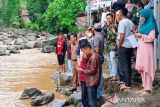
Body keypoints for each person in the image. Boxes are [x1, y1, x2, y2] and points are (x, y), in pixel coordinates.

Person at [134, 9, 157, 96]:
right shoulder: (143, 25)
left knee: (147, 67)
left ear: (146, 15)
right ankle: (145, 87)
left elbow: (151, 38)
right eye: (140, 16)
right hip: (141, 48)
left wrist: (141, 35)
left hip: (147, 49)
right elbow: (141, 35)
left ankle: (148, 89)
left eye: (142, 16)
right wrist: (137, 35)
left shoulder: (151, 25)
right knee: (142, 68)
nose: (141, 17)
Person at [77, 42, 101, 107]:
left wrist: (82, 71)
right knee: (92, 100)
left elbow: (92, 71)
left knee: (91, 101)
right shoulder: (94, 55)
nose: (84, 53)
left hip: (92, 81)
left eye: (83, 51)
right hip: (93, 81)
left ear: (87, 49)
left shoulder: (93, 57)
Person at [117, 8, 134, 90]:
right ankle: (127, 81)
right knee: (128, 64)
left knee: (124, 65)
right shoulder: (130, 22)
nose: (117, 16)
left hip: (124, 45)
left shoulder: (122, 22)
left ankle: (127, 83)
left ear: (120, 14)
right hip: (130, 45)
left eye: (118, 14)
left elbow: (122, 36)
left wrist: (119, 44)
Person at [91, 23, 104, 99]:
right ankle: (99, 93)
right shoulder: (101, 36)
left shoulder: (96, 37)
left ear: (94, 29)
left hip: (97, 58)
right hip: (101, 57)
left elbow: (96, 49)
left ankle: (98, 94)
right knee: (99, 75)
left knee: (97, 76)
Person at [76, 39, 89, 107]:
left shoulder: (88, 54)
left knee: (85, 94)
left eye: (81, 48)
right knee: (84, 94)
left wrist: (81, 71)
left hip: (85, 76)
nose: (81, 49)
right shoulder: (84, 53)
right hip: (82, 75)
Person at [105, 13, 118, 81]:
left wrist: (115, 32)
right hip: (108, 45)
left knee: (113, 59)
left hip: (113, 45)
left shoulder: (115, 26)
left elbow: (117, 35)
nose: (108, 20)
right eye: (107, 18)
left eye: (109, 18)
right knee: (109, 60)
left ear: (112, 18)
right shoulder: (107, 26)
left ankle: (115, 75)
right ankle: (111, 74)